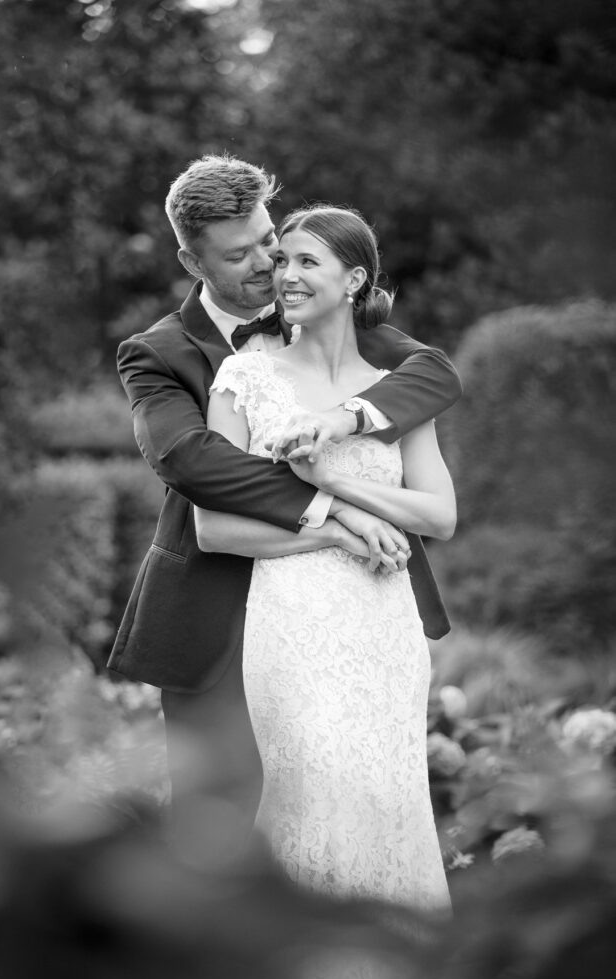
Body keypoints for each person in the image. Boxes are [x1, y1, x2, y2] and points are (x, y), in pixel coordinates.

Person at [107, 155, 461, 862]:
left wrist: (349, 419)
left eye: (269, 239)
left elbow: (433, 374)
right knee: (222, 835)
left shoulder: (332, 317)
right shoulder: (158, 353)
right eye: (240, 255)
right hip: (215, 611)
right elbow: (190, 459)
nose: (270, 264)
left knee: (356, 811)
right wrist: (336, 510)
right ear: (190, 259)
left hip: (347, 618)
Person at [194, 204, 455, 908]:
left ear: (354, 279)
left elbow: (441, 515)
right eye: (283, 262)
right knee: (312, 786)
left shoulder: (397, 388)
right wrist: (337, 528)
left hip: (385, 626)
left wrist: (335, 480)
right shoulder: (244, 379)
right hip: (292, 622)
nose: (286, 275)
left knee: (388, 797)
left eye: (308, 262)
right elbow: (213, 527)